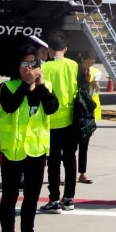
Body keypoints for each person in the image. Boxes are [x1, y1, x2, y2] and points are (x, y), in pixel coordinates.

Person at [0, 41, 58, 232]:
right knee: (10, 196)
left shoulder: (42, 86)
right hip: (12, 151)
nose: (29, 68)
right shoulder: (6, 88)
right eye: (25, 63)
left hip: (36, 151)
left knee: (32, 195)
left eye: (33, 63)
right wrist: (25, 85)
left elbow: (52, 107)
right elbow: (10, 106)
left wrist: (38, 86)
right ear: (16, 66)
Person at [39, 37, 80, 213]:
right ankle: (69, 198)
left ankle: (54, 200)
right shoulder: (74, 65)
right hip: (71, 119)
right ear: (66, 48)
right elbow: (82, 89)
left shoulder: (44, 67)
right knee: (70, 160)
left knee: (53, 163)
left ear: (48, 50)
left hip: (51, 120)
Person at [77, 52, 102, 184]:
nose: (90, 65)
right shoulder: (74, 70)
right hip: (76, 109)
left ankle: (83, 173)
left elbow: (95, 91)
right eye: (88, 62)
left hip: (88, 110)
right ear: (82, 60)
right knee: (70, 147)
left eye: (92, 63)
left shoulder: (96, 71)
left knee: (84, 145)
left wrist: (95, 86)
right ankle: (64, 175)